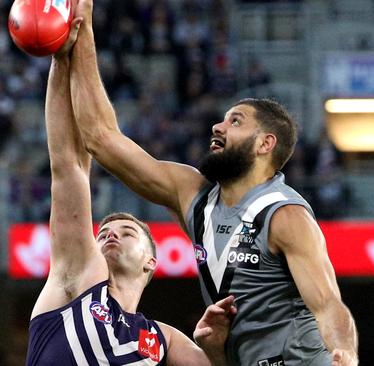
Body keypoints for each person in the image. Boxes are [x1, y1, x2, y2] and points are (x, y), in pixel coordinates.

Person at [67, 1, 359, 365]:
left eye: (236, 122)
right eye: (222, 120)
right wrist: (82, 33)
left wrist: (344, 354)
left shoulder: (285, 216)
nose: (218, 127)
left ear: (265, 144)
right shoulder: (194, 196)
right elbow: (100, 139)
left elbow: (329, 304)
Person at [27, 14, 234, 366]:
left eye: (127, 232)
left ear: (151, 262)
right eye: (104, 232)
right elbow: (69, 168)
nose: (110, 235)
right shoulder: (77, 282)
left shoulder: (161, 338)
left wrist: (215, 348)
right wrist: (62, 58)